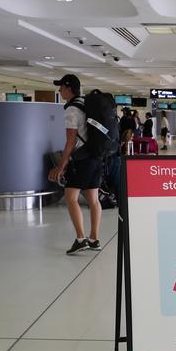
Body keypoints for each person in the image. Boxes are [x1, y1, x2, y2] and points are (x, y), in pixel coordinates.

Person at [48, 74, 103, 255]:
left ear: (69, 88)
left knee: (71, 197)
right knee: (93, 200)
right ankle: (94, 239)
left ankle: (81, 239)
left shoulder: (72, 110)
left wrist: (60, 166)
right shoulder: (87, 104)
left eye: (61, 87)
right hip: (96, 157)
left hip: (82, 159)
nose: (59, 91)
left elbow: (70, 142)